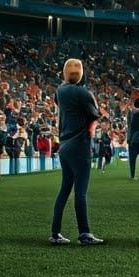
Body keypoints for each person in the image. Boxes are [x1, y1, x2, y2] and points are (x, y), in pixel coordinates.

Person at [49, 59, 104, 245]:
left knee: (64, 190)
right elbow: (94, 115)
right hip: (79, 144)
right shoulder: (83, 92)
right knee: (80, 192)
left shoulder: (59, 91)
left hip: (64, 145)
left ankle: (55, 233)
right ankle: (84, 234)